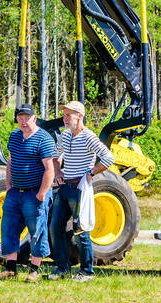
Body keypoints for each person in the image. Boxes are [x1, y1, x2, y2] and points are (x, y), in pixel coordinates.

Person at [48, 100, 113, 281]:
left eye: (69, 115)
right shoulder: (66, 135)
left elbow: (108, 157)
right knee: (55, 227)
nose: (65, 118)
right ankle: (62, 268)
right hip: (64, 187)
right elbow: (55, 155)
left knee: (81, 230)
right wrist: (58, 170)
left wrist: (90, 174)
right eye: (64, 114)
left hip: (79, 189)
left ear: (80, 116)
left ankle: (87, 271)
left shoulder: (89, 137)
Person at [0, 104, 56, 281]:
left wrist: (42, 193)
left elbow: (50, 169)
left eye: (27, 118)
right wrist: (8, 185)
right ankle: (10, 269)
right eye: (20, 118)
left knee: (37, 231)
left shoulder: (44, 138)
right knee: (9, 229)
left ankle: (34, 270)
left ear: (34, 118)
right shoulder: (15, 136)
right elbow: (10, 162)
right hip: (14, 193)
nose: (24, 122)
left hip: (34, 194)